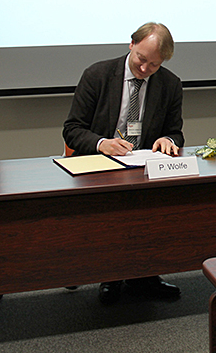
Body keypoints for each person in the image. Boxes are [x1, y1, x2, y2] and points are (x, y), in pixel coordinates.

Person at [63, 22, 184, 304]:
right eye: (142, 59)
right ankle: (111, 275)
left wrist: (168, 139)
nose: (145, 69)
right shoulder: (98, 75)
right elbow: (72, 129)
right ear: (131, 44)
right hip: (99, 166)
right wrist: (102, 143)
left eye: (154, 65)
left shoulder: (170, 84)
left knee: (162, 206)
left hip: (144, 168)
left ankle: (145, 276)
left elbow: (176, 131)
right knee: (113, 206)